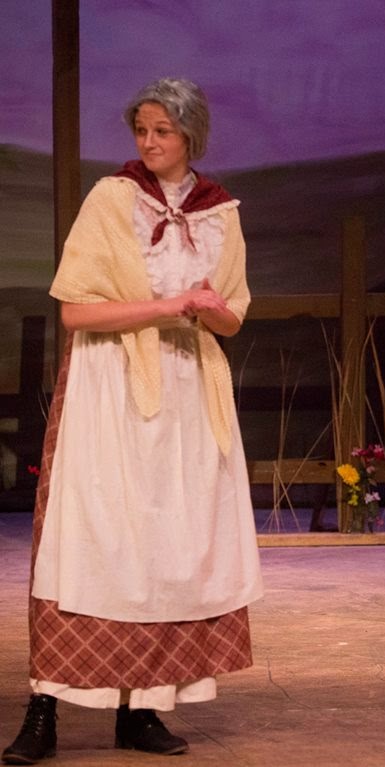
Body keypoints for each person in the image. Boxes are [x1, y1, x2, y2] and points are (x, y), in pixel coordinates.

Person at [2, 78, 263, 765]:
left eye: (162, 132)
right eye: (141, 130)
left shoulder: (220, 213)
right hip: (110, 387)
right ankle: (43, 709)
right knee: (89, 541)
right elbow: (76, 311)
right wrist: (167, 305)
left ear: (190, 136)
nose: (149, 143)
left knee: (166, 545)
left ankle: (142, 708)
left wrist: (206, 308)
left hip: (187, 397)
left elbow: (231, 318)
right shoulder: (112, 199)